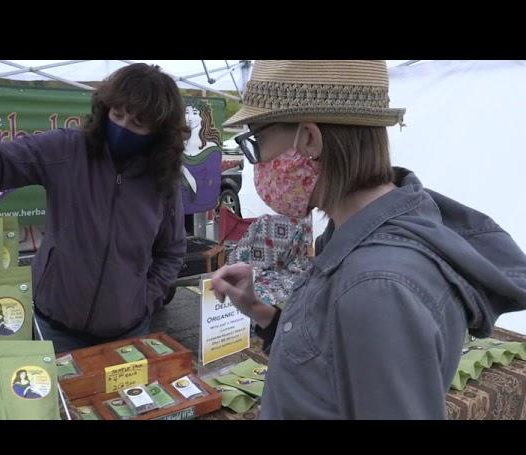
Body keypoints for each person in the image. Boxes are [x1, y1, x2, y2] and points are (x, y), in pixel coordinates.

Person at [211, 60, 526, 420]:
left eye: (257, 141)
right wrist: (261, 312)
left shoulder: (377, 287)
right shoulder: (356, 235)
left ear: (310, 139)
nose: (258, 162)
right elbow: (331, 364)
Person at [0, 63, 188, 353]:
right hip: (55, 329)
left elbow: (171, 251)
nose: (122, 128)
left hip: (129, 332)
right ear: (105, 108)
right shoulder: (69, 150)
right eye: (117, 114)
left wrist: (144, 299)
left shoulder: (162, 179)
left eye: (137, 123)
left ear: (158, 131)